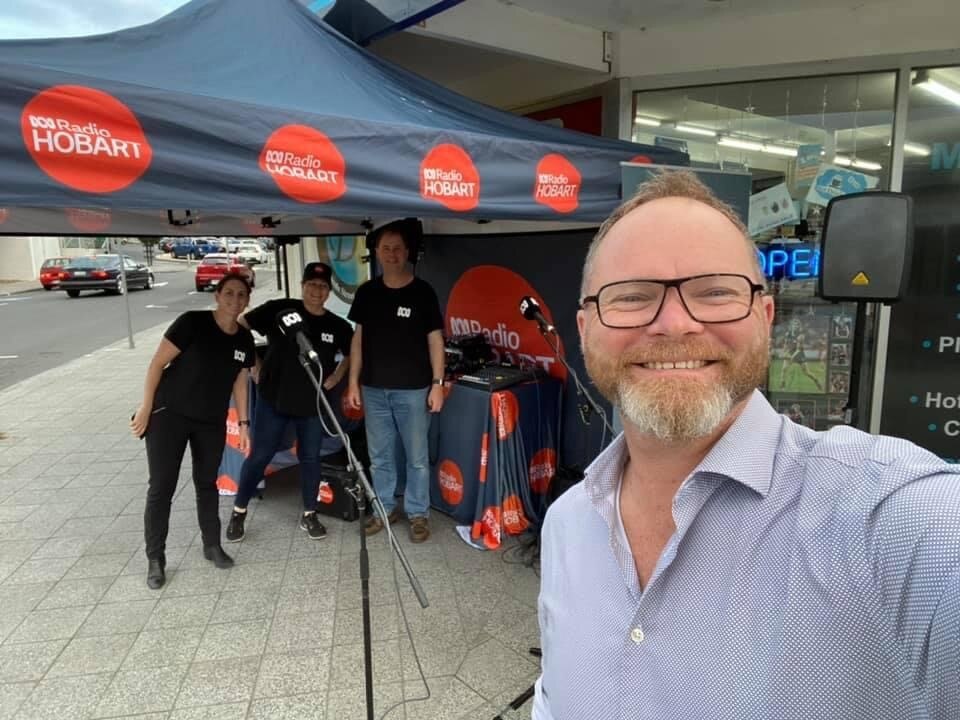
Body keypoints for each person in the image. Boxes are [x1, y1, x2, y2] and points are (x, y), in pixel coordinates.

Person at [533, 170, 960, 719]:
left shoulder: (888, 519)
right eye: (632, 296)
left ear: (766, 317)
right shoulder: (567, 523)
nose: (674, 324)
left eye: (714, 293)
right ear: (586, 328)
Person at [131, 274, 255, 590]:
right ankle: (155, 558)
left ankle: (212, 545)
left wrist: (244, 424)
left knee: (206, 483)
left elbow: (240, 381)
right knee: (162, 487)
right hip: (169, 415)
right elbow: (156, 364)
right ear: (217, 295)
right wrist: (146, 408)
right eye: (229, 293)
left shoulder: (243, 337)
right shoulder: (191, 323)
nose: (235, 299)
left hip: (209, 420)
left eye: (241, 294)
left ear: (248, 300)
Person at [226, 262, 352, 542]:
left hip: (311, 406)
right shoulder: (280, 309)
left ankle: (310, 514)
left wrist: (336, 375)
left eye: (322, 286)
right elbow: (240, 327)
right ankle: (239, 511)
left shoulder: (337, 325)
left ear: (329, 291)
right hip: (274, 400)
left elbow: (352, 352)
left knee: (310, 458)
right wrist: (254, 364)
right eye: (311, 285)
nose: (316, 291)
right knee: (260, 456)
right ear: (303, 286)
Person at [345, 221, 445, 543]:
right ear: (376, 252)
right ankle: (384, 509)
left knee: (417, 458)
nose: (391, 254)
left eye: (397, 248)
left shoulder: (423, 292)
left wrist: (438, 383)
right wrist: (352, 383)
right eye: (386, 248)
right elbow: (357, 342)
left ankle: (418, 514)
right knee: (380, 457)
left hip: (414, 391)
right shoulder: (367, 292)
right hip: (374, 391)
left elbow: (435, 341)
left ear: (407, 253)